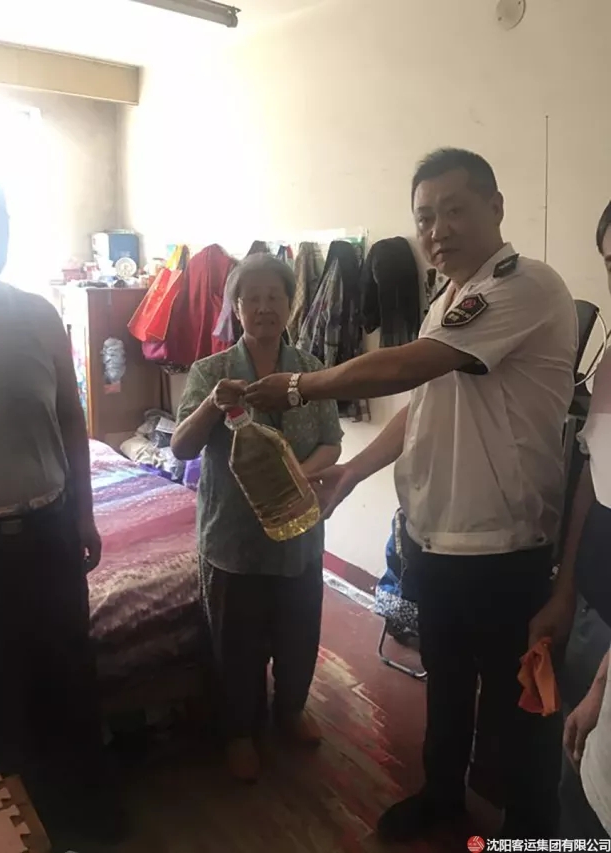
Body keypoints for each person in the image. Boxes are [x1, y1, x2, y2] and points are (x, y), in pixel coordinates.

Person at [245, 149, 578, 841]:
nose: (437, 229)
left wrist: (301, 385)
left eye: (455, 210)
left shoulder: (524, 286)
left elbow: (405, 368)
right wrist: (352, 470)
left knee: (517, 706)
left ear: (496, 207)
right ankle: (442, 796)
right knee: (447, 681)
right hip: (436, 537)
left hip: (503, 545)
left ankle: (530, 830)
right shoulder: (445, 300)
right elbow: (423, 402)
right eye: (425, 216)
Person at [0, 176, 122, 847]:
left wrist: (84, 514)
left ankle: (84, 822)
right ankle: (1, 830)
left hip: (48, 530)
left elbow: (69, 420)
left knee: (66, 675)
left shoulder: (37, 316)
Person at [171, 254, 343, 782]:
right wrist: (210, 406)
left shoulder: (311, 369)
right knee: (236, 642)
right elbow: (181, 447)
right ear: (236, 307)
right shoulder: (212, 371)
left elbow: (332, 443)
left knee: (299, 632)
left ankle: (289, 710)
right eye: (253, 298)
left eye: (275, 297)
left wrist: (297, 474)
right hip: (234, 535)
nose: (265, 307)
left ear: (290, 304)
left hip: (299, 529)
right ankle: (239, 733)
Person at [530, 200, 611, 838]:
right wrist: (565, 589)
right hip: (593, 609)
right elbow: (591, 475)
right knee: (576, 779)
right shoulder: (610, 363)